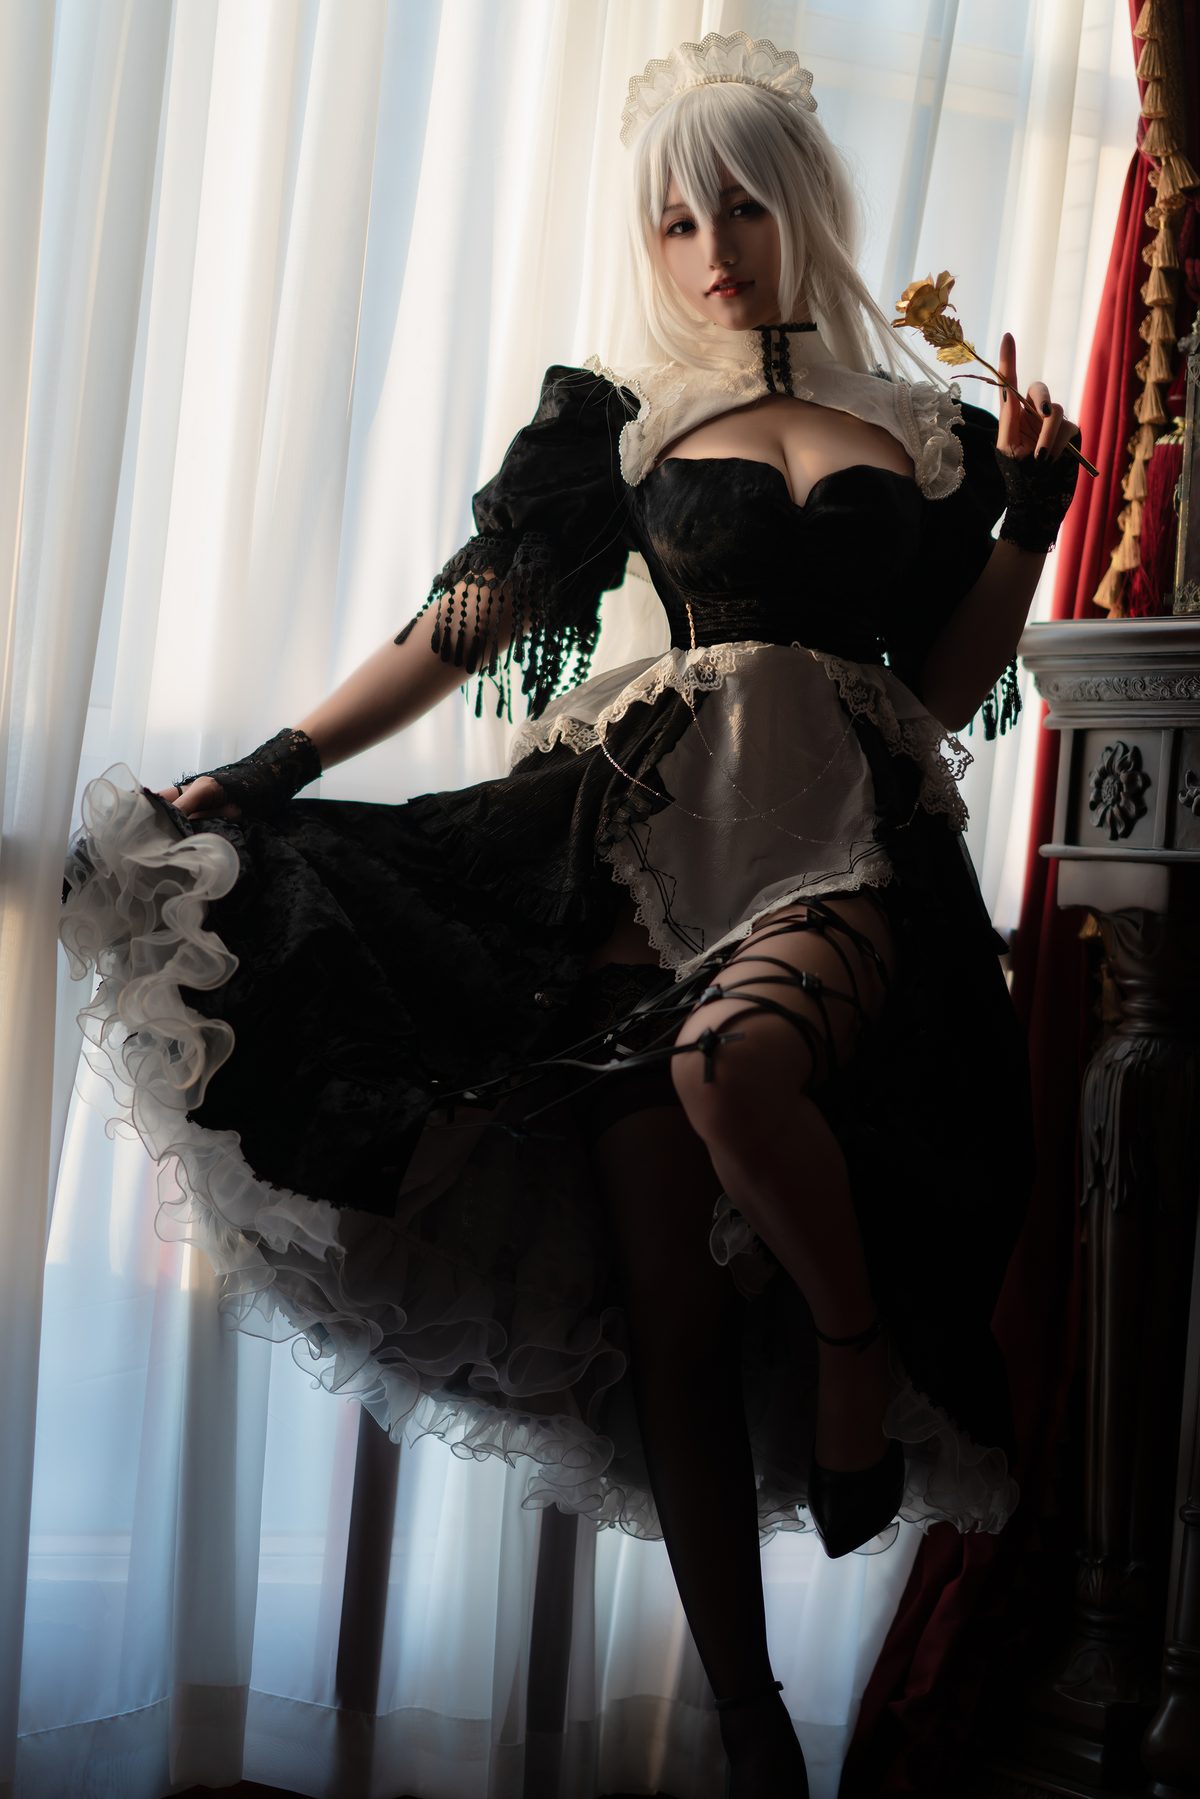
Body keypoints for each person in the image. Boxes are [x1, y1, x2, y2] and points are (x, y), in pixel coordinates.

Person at [59, 31, 1080, 1797]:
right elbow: (467, 620)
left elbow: (933, 690)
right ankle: (752, 1736)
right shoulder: (623, 418)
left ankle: (854, 1358)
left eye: (741, 204)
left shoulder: (932, 432)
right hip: (640, 852)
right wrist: (273, 764)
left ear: (804, 201)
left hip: (847, 841)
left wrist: (1029, 527)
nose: (711, 247)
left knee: (735, 1066)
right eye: (675, 219)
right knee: (668, 1311)